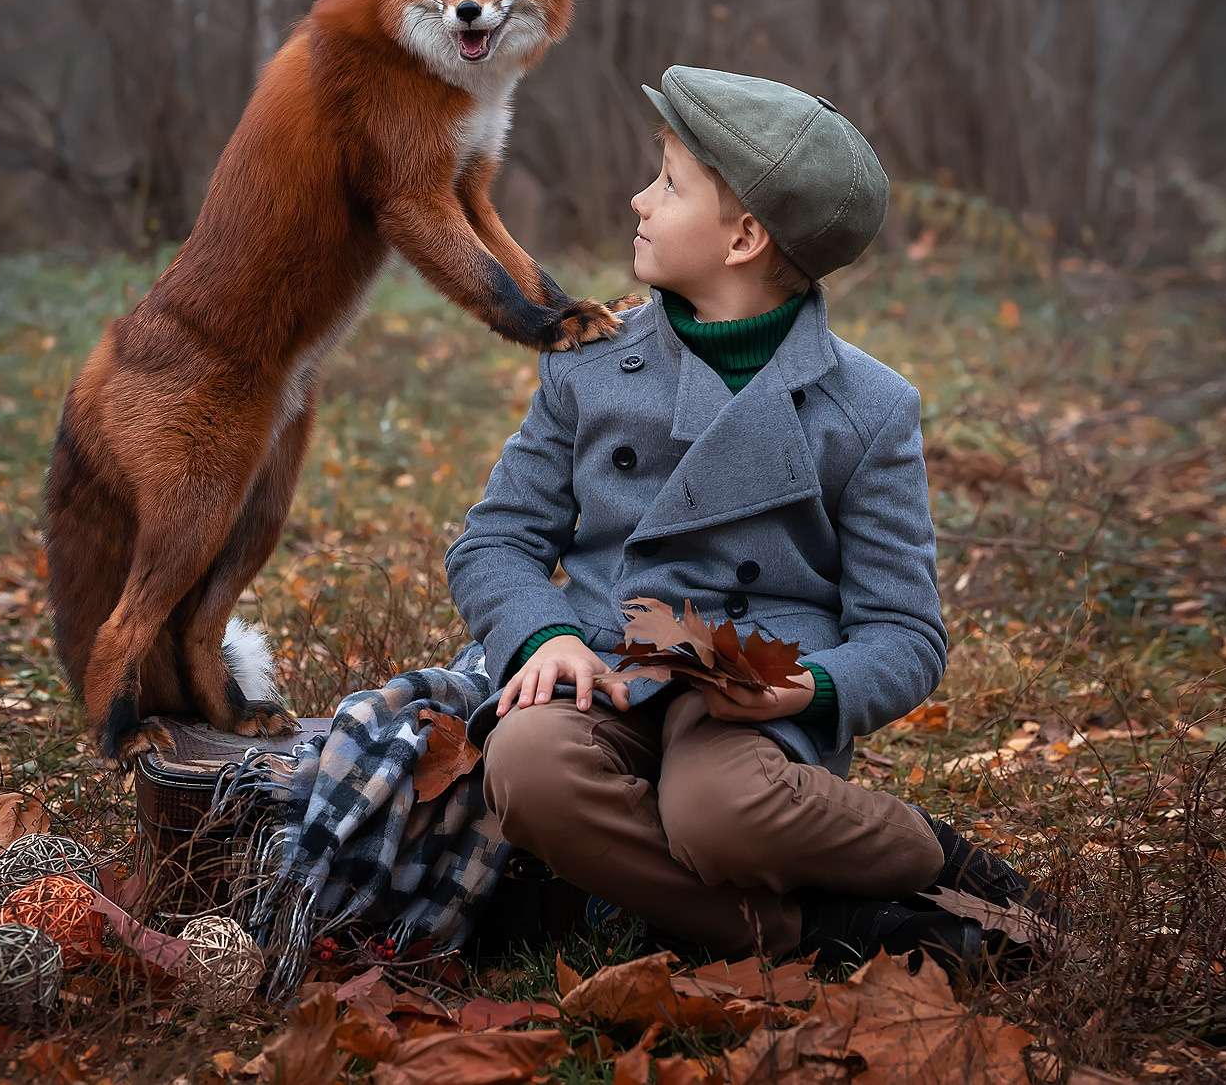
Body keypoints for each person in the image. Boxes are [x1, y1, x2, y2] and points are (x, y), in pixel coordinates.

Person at [445, 66, 1046, 971]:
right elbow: (496, 539)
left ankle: (938, 859)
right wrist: (546, 639)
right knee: (528, 764)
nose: (640, 199)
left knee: (718, 813)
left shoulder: (868, 408)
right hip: (609, 664)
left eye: (671, 183)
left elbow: (906, 634)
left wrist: (808, 688)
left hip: (753, 701)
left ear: (745, 236)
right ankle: (836, 933)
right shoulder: (589, 365)